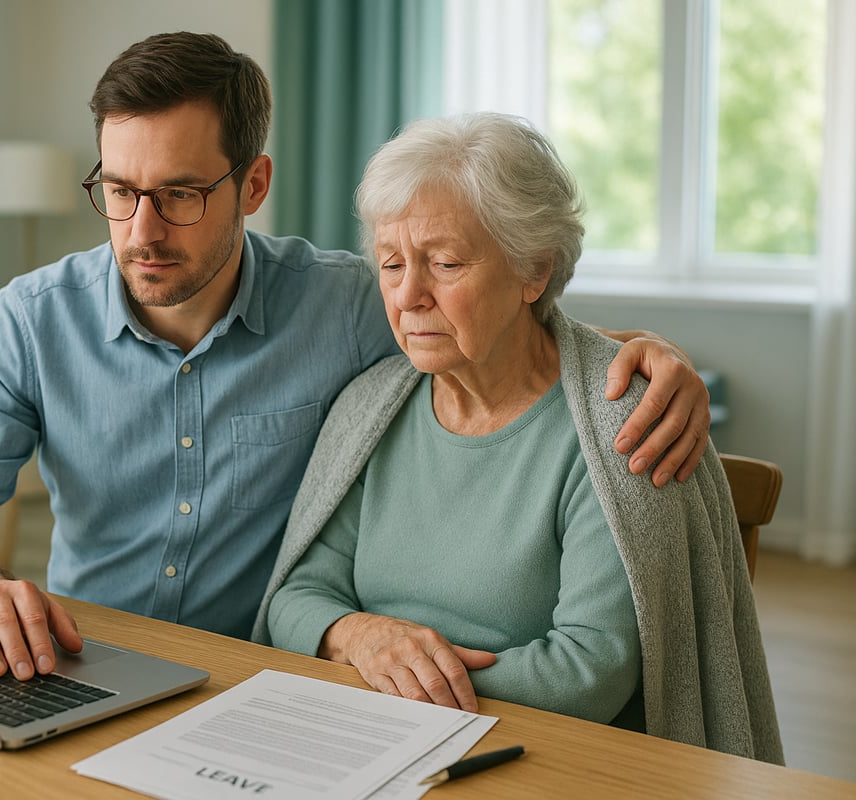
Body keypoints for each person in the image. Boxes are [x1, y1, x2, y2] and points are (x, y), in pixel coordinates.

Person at [0, 32, 711, 684]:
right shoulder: (32, 319)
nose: (142, 231)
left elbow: (489, 312)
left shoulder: (345, 304)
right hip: (84, 665)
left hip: (261, 682)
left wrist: (646, 355)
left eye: (180, 194)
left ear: (253, 185)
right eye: (119, 191)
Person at [251, 113, 782, 764]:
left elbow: (589, 670)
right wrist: (361, 637)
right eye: (391, 263)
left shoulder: (622, 426)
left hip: (540, 756)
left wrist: (408, 681)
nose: (409, 294)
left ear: (534, 270)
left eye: (445, 262)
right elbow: (298, 597)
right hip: (365, 737)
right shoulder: (371, 406)